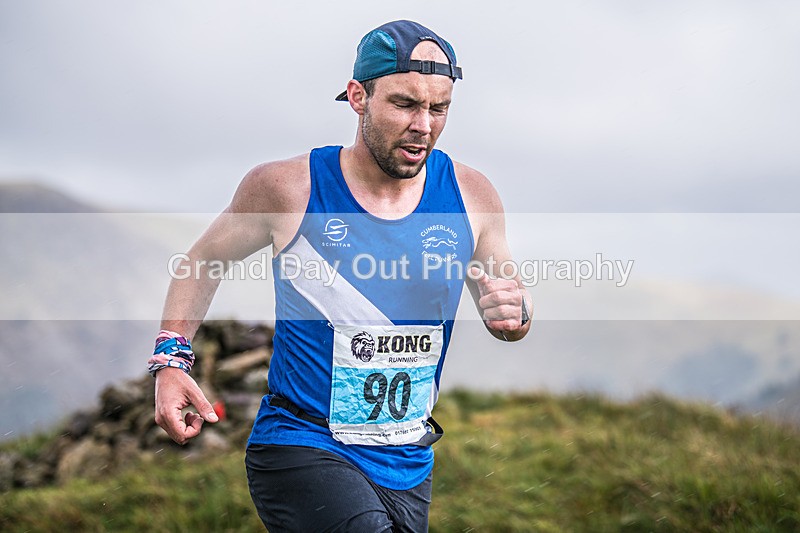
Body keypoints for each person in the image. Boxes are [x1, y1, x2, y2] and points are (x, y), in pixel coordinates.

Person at [151, 19, 532, 532]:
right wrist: (171, 362)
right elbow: (201, 263)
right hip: (302, 445)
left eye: (438, 108)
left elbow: (512, 306)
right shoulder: (287, 188)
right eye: (404, 103)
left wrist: (514, 315)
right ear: (358, 96)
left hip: (407, 463)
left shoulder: (472, 196)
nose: (423, 124)